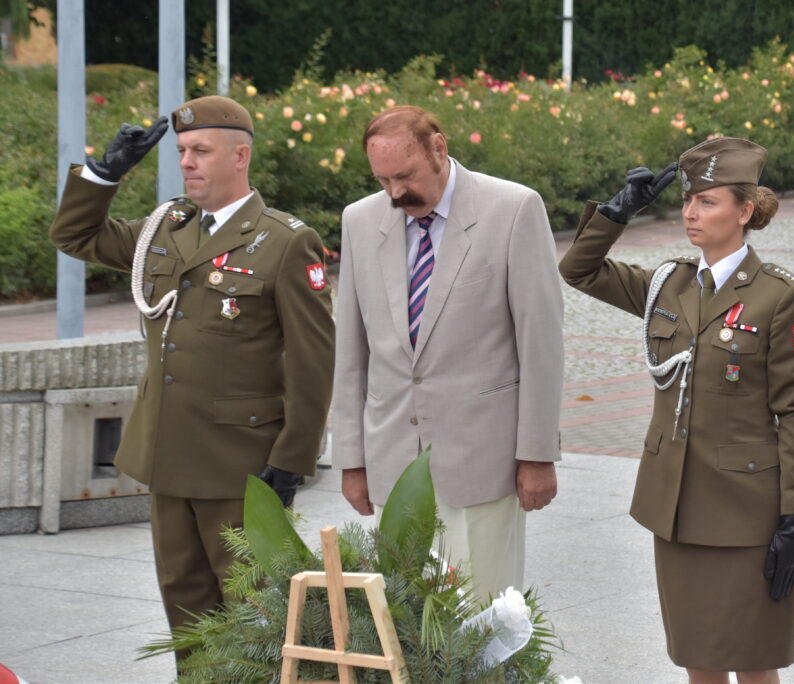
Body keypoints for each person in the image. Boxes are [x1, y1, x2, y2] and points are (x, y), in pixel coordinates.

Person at [49, 96, 335, 656]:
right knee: (187, 613)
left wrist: (294, 457)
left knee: (257, 616)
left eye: (200, 150)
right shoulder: (166, 227)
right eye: (182, 151)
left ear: (240, 156)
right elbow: (75, 237)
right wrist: (105, 174)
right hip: (167, 454)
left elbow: (313, 359)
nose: (187, 162)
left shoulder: (284, 240)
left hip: (241, 462)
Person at [559, 137, 794, 682]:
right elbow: (578, 270)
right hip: (676, 503)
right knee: (696, 656)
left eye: (708, 202)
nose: (691, 213)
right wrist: (615, 213)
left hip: (746, 507)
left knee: (754, 660)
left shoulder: (780, 296)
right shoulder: (668, 284)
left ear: (744, 211)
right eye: (687, 201)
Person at [332, 106, 564, 603]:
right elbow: (351, 353)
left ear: (439, 147)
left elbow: (541, 345)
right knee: (403, 624)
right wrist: (351, 460)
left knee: (481, 622)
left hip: (482, 462)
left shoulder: (514, 209)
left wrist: (538, 456)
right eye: (383, 179)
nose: (395, 193)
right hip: (392, 462)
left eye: (406, 176)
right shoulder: (359, 220)